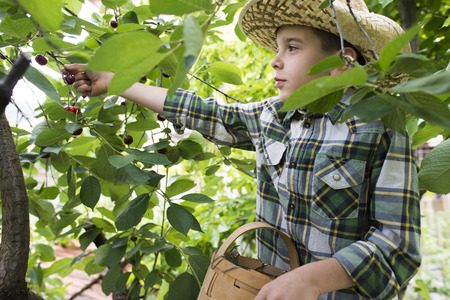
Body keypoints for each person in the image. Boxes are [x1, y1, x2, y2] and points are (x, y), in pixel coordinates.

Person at [65, 0, 421, 299]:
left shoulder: (381, 128)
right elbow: (203, 111)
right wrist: (115, 83)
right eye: (277, 48)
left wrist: (313, 279)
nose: (275, 60)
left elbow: (398, 245)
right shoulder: (273, 117)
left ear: (340, 63)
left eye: (292, 47)